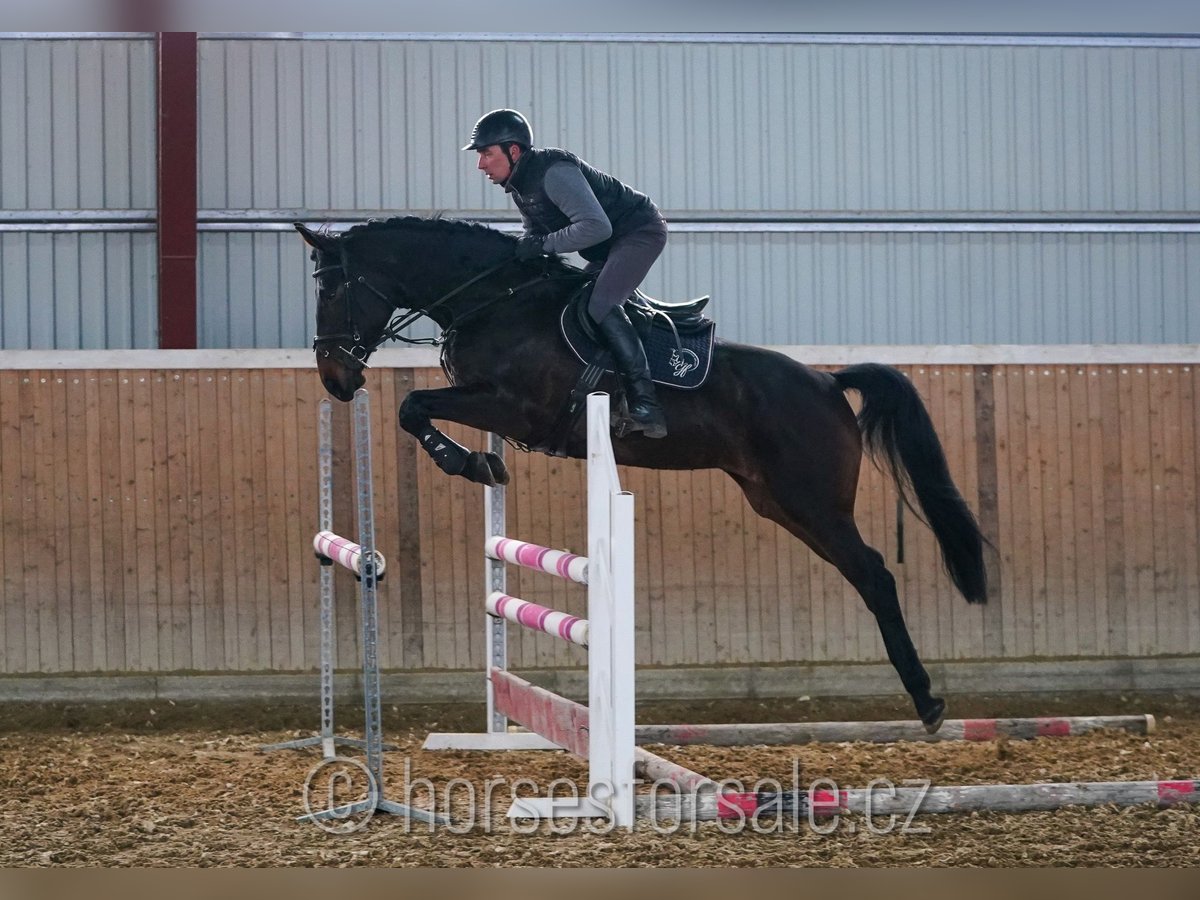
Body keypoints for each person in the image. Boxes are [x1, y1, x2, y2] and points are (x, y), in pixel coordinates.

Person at [463, 109, 669, 439]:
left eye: (487, 153)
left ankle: (647, 406)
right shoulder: (520, 186)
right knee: (571, 300)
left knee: (600, 304)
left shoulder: (553, 173)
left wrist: (542, 245)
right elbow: (535, 239)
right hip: (609, 246)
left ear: (513, 151)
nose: (481, 164)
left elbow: (596, 228)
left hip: (638, 232)